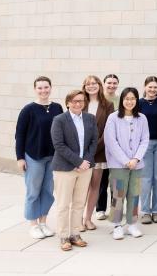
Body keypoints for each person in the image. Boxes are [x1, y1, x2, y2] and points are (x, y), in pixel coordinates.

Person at [16, 76, 63, 239]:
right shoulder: (28, 109)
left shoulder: (57, 107)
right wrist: (20, 158)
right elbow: (20, 135)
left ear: (51, 88)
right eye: (40, 88)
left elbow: (61, 132)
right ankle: (33, 224)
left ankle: (43, 222)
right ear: (35, 89)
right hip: (33, 156)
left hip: (52, 157)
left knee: (48, 191)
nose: (43, 90)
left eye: (46, 87)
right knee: (33, 191)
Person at [51, 90, 97, 251]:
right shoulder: (59, 120)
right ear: (68, 102)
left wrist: (86, 162)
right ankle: (63, 236)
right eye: (75, 101)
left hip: (85, 168)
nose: (78, 104)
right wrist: (77, 161)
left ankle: (75, 234)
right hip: (65, 168)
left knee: (78, 203)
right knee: (63, 204)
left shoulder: (90, 118)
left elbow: (93, 142)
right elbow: (59, 145)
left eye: (81, 101)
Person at [104, 87, 149, 240]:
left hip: (137, 164)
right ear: (122, 100)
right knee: (118, 194)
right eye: (126, 98)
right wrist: (125, 160)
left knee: (134, 194)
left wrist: (136, 158)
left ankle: (132, 223)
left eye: (132, 99)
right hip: (118, 164)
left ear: (137, 100)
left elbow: (145, 140)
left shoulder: (142, 118)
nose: (129, 101)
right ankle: (117, 225)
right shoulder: (113, 118)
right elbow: (110, 141)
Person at [81, 75, 114, 231]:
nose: (91, 86)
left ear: (100, 85)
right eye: (88, 84)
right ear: (84, 86)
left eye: (94, 83)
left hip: (99, 152)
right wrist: (83, 151)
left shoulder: (107, 105)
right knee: (81, 188)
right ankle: (77, 219)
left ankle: (88, 218)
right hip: (80, 154)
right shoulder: (79, 102)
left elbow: (108, 131)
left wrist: (93, 150)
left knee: (95, 186)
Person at [139, 76, 157, 225]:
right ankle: (144, 211)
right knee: (145, 178)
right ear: (145, 87)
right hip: (144, 145)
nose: (152, 90)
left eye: (155, 87)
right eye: (150, 87)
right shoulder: (139, 103)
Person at [96, 74, 120, 221]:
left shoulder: (120, 99)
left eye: (114, 83)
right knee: (102, 179)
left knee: (116, 179)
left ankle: (115, 208)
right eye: (109, 83)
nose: (111, 85)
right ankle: (100, 209)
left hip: (117, 144)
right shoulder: (99, 100)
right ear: (104, 84)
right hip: (102, 144)